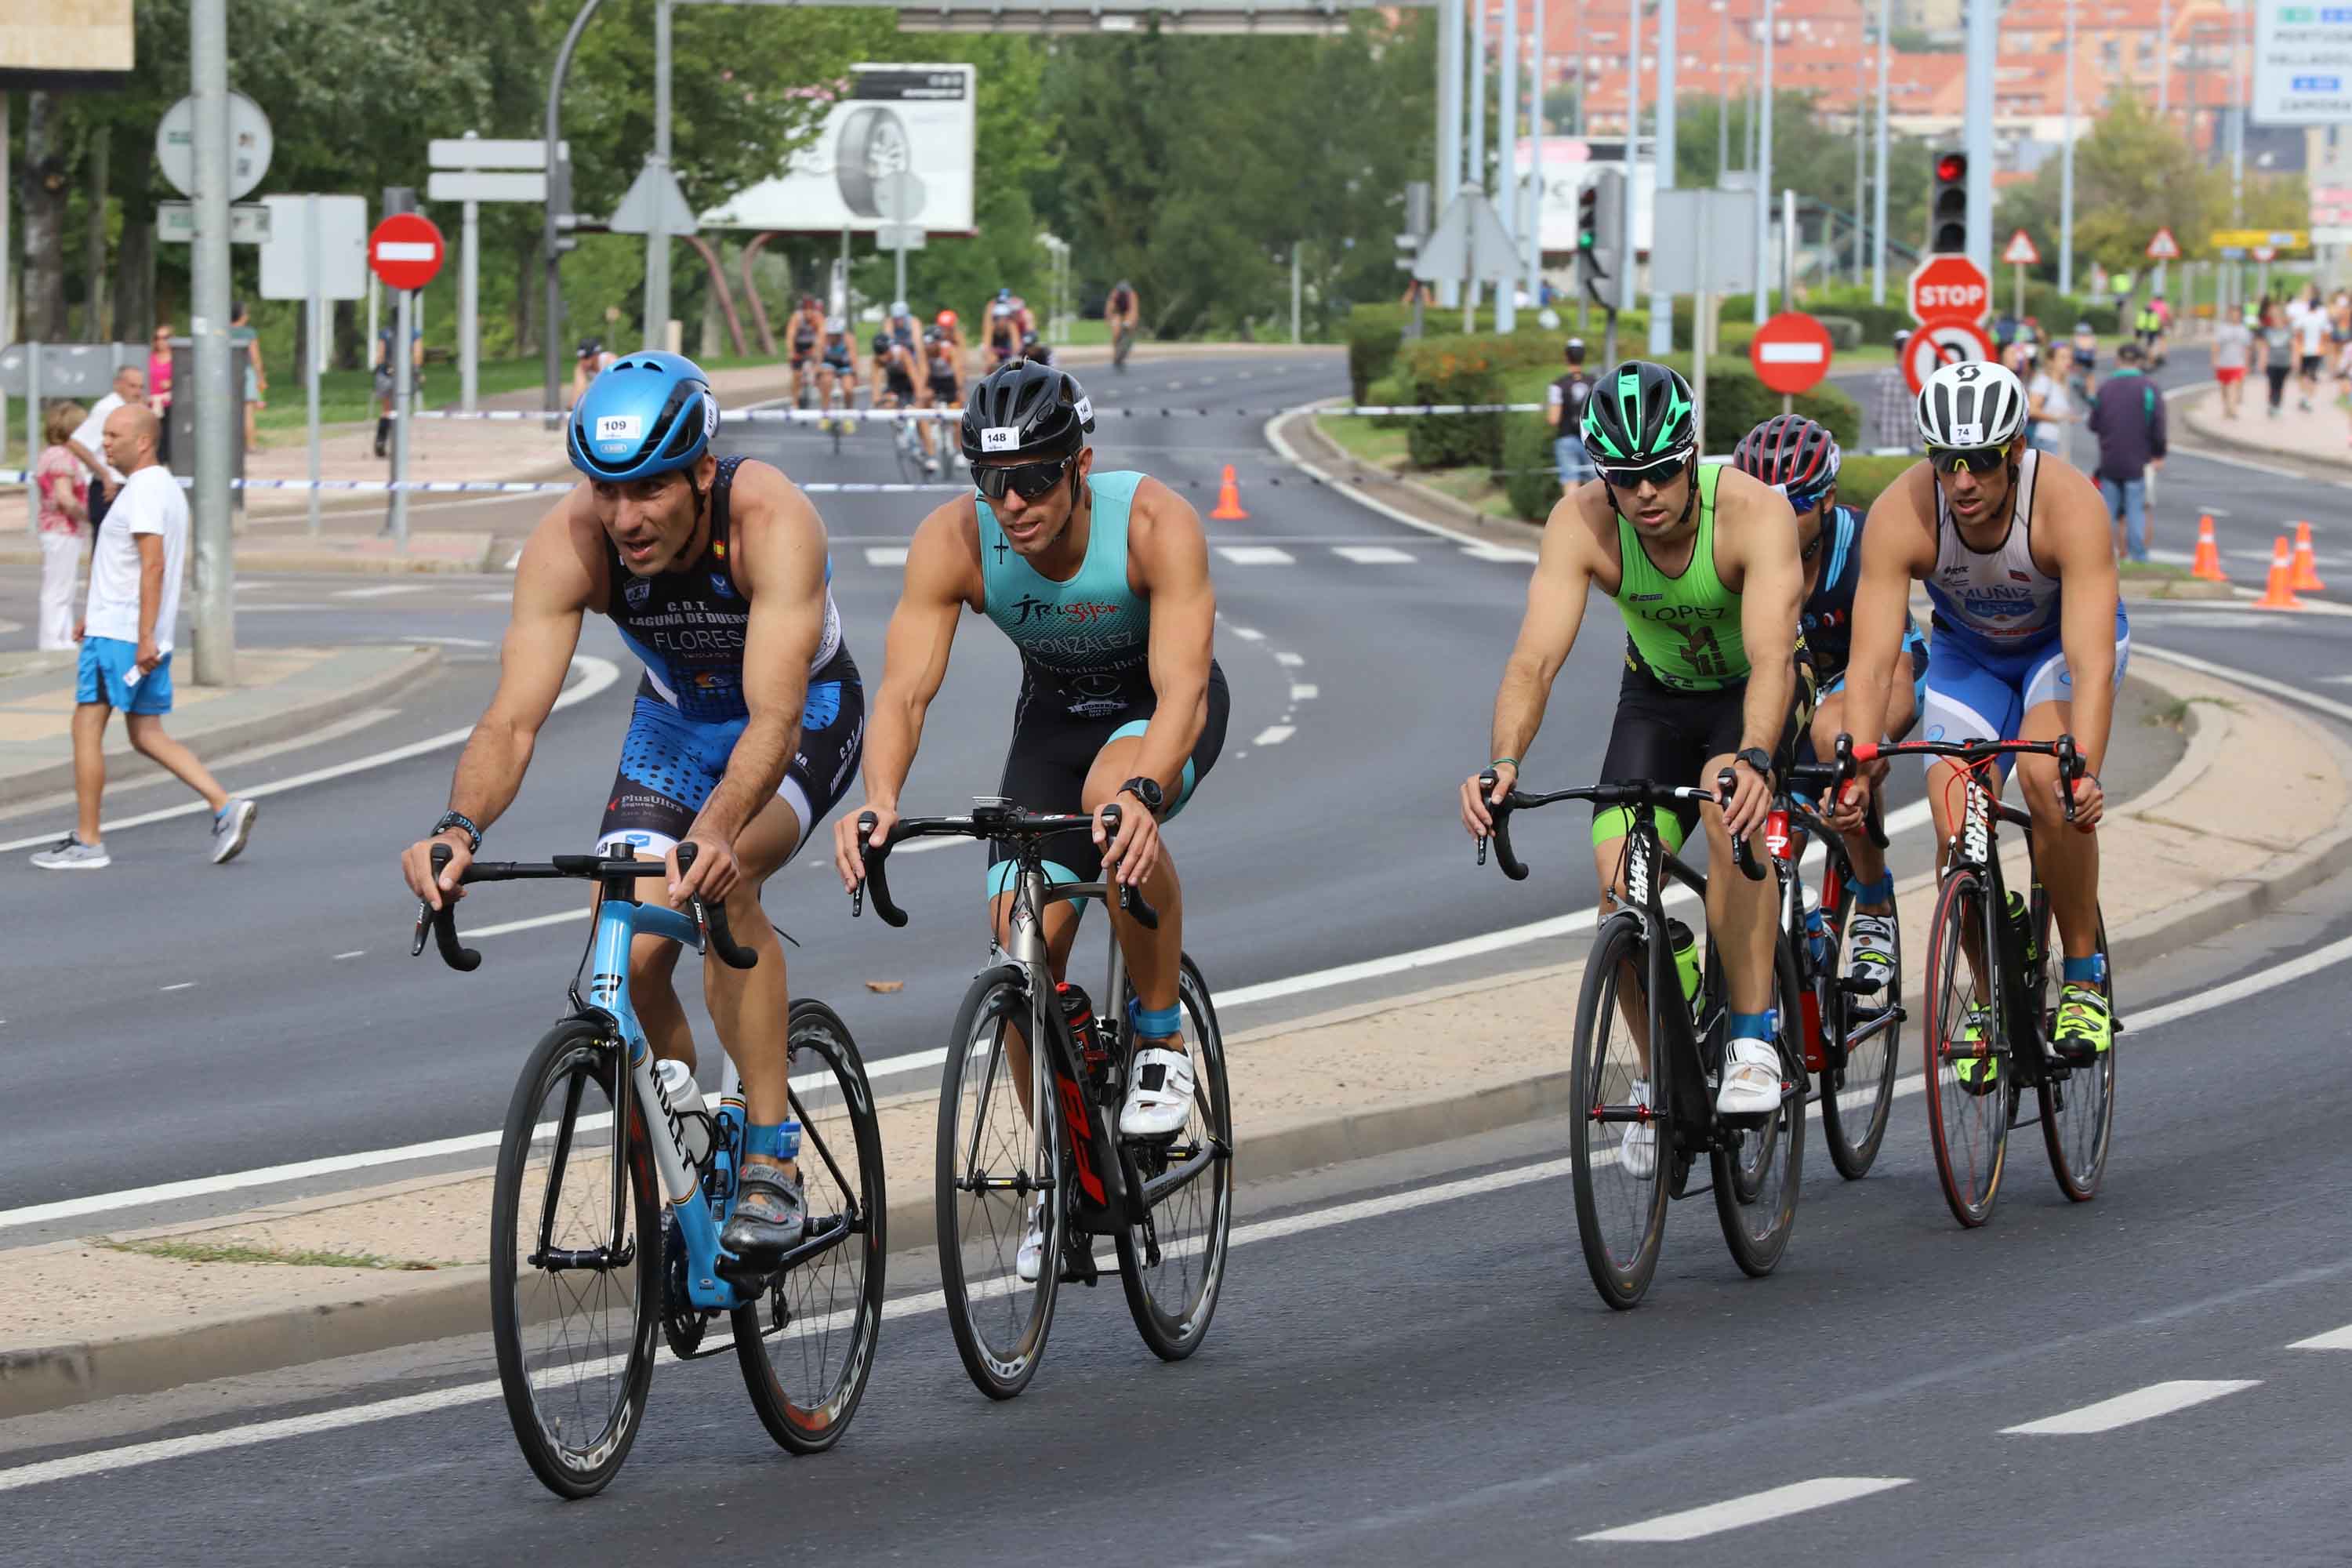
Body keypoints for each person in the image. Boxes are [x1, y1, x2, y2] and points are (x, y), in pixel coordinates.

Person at [398, 351, 863, 1266]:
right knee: (628, 937)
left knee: (722, 883)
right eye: (607, 490)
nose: (625, 516)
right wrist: (458, 828)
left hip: (799, 712)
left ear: (700, 470)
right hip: (678, 722)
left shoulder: (769, 518)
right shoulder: (572, 539)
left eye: (649, 488)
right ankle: (684, 1138)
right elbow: (513, 717)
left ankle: (771, 1157)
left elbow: (771, 717)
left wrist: (721, 827)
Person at [833, 358, 1225, 1281]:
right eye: (992, 480)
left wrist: (1146, 793)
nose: (1013, 502)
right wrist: (880, 796)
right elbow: (902, 691)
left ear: (1080, 464)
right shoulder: (956, 541)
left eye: (1037, 477)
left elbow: (1183, 688)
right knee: (1020, 943)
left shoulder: (1155, 523)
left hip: (1159, 710)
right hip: (1054, 720)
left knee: (1112, 811)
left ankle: (1161, 1034)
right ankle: (1064, 1172)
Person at [1458, 361, 1806, 1177]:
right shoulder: (1582, 521)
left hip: (1746, 700)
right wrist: (1503, 762)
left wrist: (1757, 755)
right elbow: (1534, 660)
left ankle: (1754, 1038)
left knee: (1730, 810)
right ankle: (1660, 1073)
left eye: (1660, 473)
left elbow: (1767, 656)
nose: (1645, 494)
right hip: (1654, 701)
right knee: (1619, 879)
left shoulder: (1753, 511)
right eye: (1624, 478)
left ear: (1691, 458)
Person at [1838, 358, 2124, 1065]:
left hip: (2057, 652)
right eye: (1946, 461)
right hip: (1971, 659)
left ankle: (2084, 979)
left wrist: (2084, 769)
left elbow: (2090, 666)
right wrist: (1857, 760)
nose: (1962, 481)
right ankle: (1991, 990)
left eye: (1981, 462)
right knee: (1953, 825)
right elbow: (1872, 664)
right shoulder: (1905, 512)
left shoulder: (2068, 503)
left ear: (2017, 450)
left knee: (2046, 783)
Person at [1730, 413, 1928, 993]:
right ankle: (1795, 924)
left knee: (1839, 744)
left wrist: (1863, 757)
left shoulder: (1862, 545)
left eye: (1793, 506)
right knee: (1762, 822)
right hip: (1794, 678)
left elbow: (1876, 662)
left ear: (1827, 500)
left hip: (1876, 664)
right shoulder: (1741, 548)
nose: (1776, 520)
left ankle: (1872, 901)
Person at [31, 404, 258, 872]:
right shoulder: (159, 489)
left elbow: (152, 564)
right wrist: (94, 617)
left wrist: (142, 636)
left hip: (123, 637)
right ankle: (225, 805)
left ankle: (89, 843)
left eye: (114, 436)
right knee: (146, 734)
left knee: (86, 726)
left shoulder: (146, 491)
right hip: (119, 629)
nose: (105, 443)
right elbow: (126, 565)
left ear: (143, 442)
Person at [2085, 339, 2165, 564]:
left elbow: (2093, 423)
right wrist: (2158, 453)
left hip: (2110, 459)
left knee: (2107, 512)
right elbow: (2158, 424)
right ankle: (2138, 556)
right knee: (2135, 510)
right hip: (2138, 460)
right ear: (2139, 361)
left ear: (2118, 360)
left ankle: (2099, 556)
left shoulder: (2105, 388)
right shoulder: (2149, 388)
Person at [36, 401, 91, 652]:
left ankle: (60, 637)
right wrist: (86, 515)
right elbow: (65, 497)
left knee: (61, 586)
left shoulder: (49, 453)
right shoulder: (63, 457)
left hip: (54, 529)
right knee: (59, 587)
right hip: (63, 528)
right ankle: (53, 641)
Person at [67, 364, 143, 536]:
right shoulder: (107, 409)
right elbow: (77, 443)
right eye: (132, 386)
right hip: (109, 489)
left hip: (126, 487)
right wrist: (104, 474)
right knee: (105, 554)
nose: (138, 392)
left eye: (141, 387)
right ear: (118, 385)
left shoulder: (130, 409)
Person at [1545, 338, 1595, 494]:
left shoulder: (1557, 385)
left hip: (1566, 437)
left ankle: (1572, 517)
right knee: (1596, 482)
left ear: (1566, 357)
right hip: (1590, 439)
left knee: (1570, 480)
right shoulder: (1594, 382)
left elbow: (1554, 419)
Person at [372, 321, 422, 459]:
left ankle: (381, 440)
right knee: (402, 410)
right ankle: (399, 445)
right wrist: (416, 370)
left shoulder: (385, 332)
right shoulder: (413, 332)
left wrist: (379, 368)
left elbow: (380, 356)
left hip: (386, 375)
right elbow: (417, 355)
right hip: (405, 376)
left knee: (387, 411)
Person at [919, 324, 963, 470]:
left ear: (938, 342)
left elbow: (957, 372)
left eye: (931, 343)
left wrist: (959, 390)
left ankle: (958, 452)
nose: (928, 347)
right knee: (924, 404)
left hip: (950, 383)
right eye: (926, 344)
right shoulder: (925, 352)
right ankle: (931, 456)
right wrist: (921, 393)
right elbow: (924, 373)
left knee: (957, 415)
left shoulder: (949, 350)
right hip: (934, 382)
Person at [2027, 345, 2078, 463]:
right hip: (2046, 439)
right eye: (2063, 358)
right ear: (2051, 361)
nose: (2068, 362)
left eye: (2070, 358)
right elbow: (2032, 410)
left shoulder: (2063, 383)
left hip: (2060, 439)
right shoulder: (2044, 381)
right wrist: (2060, 418)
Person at [230, 300, 266, 452]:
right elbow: (255, 357)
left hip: (227, 372)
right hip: (246, 372)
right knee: (248, 411)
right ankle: (251, 445)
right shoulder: (249, 333)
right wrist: (261, 378)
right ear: (242, 315)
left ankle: (232, 446)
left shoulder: (223, 331)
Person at [1871, 330, 1914, 452]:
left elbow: (1876, 416)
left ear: (1896, 352)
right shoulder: (1921, 376)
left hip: (1889, 442)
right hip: (1917, 442)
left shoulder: (1884, 377)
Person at [2211, 308, 2252, 419]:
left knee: (2234, 387)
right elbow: (2216, 345)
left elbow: (2247, 348)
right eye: (2233, 315)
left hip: (2238, 364)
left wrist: (2247, 364)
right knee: (2224, 389)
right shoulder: (2222, 330)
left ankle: (2233, 410)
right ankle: (2226, 407)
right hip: (2223, 363)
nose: (2235, 317)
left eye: (2237, 315)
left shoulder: (2244, 330)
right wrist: (2214, 360)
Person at [787, 296, 826, 408]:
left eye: (811, 309)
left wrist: (817, 351)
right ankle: (794, 402)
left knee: (820, 358)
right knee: (796, 375)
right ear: (802, 310)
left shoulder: (818, 317)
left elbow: (821, 336)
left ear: (814, 310)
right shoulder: (796, 317)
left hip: (813, 345)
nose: (808, 312)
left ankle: (817, 382)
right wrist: (791, 351)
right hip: (798, 346)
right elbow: (790, 336)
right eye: (806, 309)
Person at [2297, 285, 2330, 412]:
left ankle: (2304, 397)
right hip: (2317, 350)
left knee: (2304, 375)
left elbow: (2298, 333)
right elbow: (2327, 334)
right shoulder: (2321, 319)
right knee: (2312, 375)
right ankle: (2308, 399)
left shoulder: (2303, 318)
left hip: (2304, 350)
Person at [2259, 296, 2294, 417]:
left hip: (2284, 362)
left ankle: (2278, 405)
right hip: (2272, 361)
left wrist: (2294, 360)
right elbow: (2264, 347)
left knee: (2281, 385)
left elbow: (2293, 346)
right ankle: (2271, 404)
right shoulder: (2268, 331)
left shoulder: (2289, 330)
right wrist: (2262, 361)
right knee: (2272, 384)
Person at [568, 336, 615, 411]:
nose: (583, 361)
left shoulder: (609, 361)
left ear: (596, 355)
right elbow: (577, 393)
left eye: (587, 357)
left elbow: (613, 390)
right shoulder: (581, 367)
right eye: (581, 358)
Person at [1105, 278, 1140, 371]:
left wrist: (1130, 322)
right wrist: (1110, 320)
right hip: (1118, 313)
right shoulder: (1115, 294)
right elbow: (1109, 308)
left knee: (1129, 332)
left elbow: (1133, 310)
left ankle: (1125, 351)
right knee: (1116, 332)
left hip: (1128, 313)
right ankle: (1116, 352)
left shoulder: (1132, 295)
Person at [2067, 321, 2099, 405]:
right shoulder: (2093, 338)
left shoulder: (2075, 338)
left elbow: (2071, 349)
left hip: (2079, 359)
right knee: (2090, 377)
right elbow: (2095, 350)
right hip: (2089, 360)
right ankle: (2091, 394)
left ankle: (2078, 383)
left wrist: (2071, 358)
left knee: (2077, 371)